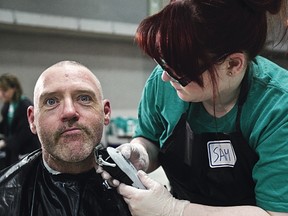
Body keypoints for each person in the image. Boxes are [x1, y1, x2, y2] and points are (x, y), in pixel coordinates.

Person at [102, 0, 288, 215]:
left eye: (180, 70)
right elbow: (151, 137)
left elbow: (276, 213)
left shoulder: (278, 107)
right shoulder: (164, 83)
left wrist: (175, 210)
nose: (165, 76)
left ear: (233, 65)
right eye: (163, 62)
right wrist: (141, 153)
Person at [0, 61, 131, 216]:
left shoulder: (137, 191)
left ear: (106, 112)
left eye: (84, 98)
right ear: (32, 120)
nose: (69, 112)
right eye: (51, 101)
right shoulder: (6, 196)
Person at [0, 73, 40, 168]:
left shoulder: (24, 105)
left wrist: (5, 142)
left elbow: (24, 134)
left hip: (26, 150)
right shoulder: (7, 106)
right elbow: (6, 127)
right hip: (14, 149)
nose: (1, 94)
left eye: (4, 91)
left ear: (14, 89)